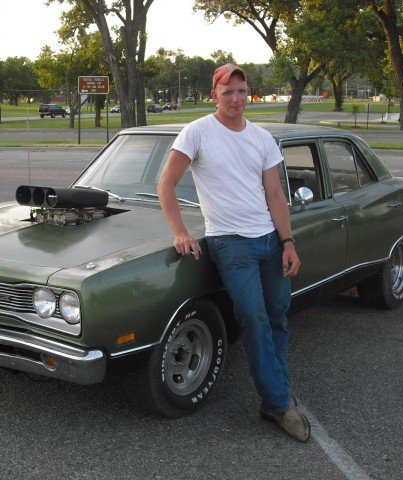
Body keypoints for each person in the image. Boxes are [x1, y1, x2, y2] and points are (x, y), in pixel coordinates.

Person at [157, 63, 310, 442]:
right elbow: (167, 182)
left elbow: (275, 195)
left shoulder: (262, 138)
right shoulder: (197, 132)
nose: (236, 99)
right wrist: (179, 231)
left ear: (248, 94)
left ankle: (275, 396)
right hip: (231, 243)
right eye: (228, 92)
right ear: (215, 95)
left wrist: (288, 242)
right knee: (255, 319)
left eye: (242, 91)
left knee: (277, 316)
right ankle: (278, 404)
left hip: (271, 243)